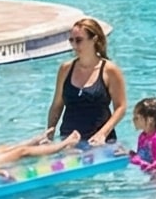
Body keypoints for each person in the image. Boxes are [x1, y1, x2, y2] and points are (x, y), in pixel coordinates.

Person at [41, 19, 127, 147]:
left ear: (94, 39)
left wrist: (102, 134)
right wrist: (49, 132)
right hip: (69, 141)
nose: (74, 45)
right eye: (71, 40)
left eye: (79, 40)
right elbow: (57, 105)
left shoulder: (109, 70)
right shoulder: (65, 69)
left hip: (99, 142)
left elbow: (121, 107)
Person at [128, 97, 156, 175]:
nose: (133, 120)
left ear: (150, 120)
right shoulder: (142, 137)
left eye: (137, 117)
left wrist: (136, 160)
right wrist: (128, 154)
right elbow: (142, 157)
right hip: (151, 172)